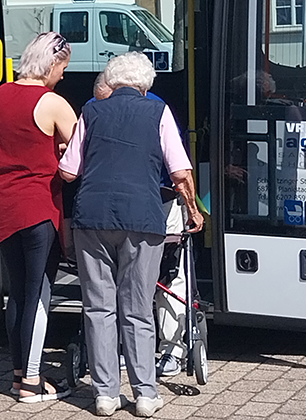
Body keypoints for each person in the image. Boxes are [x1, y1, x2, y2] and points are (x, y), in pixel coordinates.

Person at [59, 51, 203, 417]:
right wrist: (192, 209)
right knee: (138, 308)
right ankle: (144, 394)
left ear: (112, 79)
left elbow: (69, 173)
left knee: (97, 307)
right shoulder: (159, 112)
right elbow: (180, 172)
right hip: (142, 219)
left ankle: (105, 395)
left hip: (92, 217)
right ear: (145, 83)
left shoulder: (90, 111)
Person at [0, 32, 76, 403]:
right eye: (63, 67)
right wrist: (61, 147)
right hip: (37, 205)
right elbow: (79, 155)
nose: (63, 75)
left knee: (17, 292)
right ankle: (31, 382)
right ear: (51, 63)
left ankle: (18, 374)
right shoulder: (52, 103)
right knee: (39, 293)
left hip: (3, 204)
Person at [93, 69, 198, 378]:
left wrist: (191, 207)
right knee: (146, 277)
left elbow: (179, 170)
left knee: (167, 274)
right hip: (132, 205)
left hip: (159, 201)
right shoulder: (99, 105)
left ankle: (171, 349)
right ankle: (146, 350)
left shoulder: (155, 109)